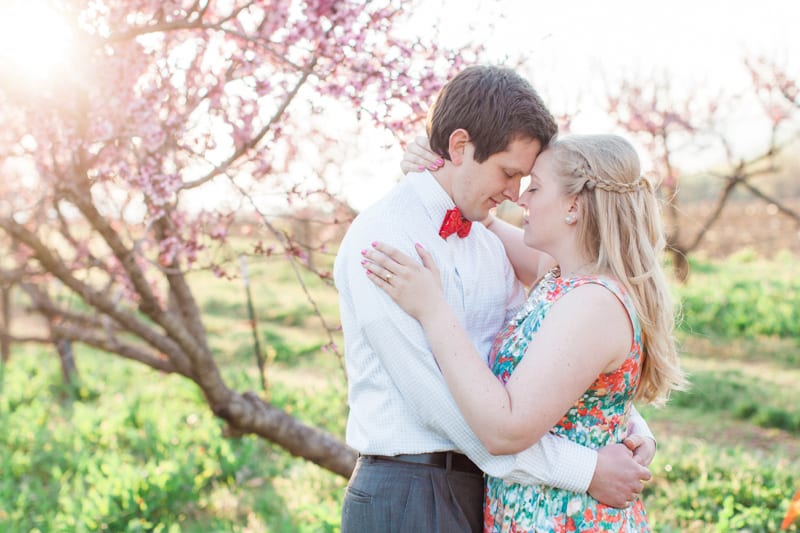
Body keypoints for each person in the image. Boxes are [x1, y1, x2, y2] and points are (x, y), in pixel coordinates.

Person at [334, 65, 657, 533]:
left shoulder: (489, 244)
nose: (514, 195)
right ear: (460, 147)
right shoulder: (384, 240)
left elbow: (535, 367)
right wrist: (585, 468)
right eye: (509, 174)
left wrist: (622, 422)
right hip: (410, 492)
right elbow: (444, 407)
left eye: (527, 181)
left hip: (489, 489)